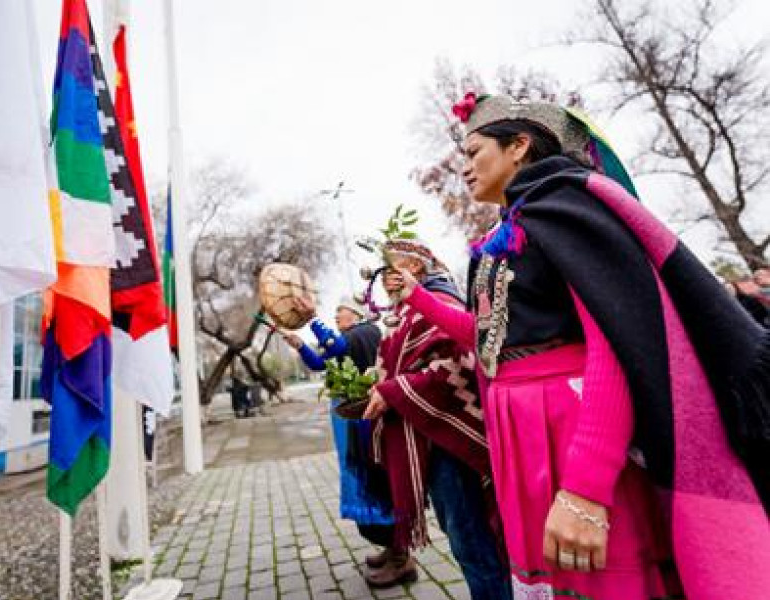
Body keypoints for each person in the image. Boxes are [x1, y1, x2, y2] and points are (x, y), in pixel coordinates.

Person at [389, 92, 770, 599]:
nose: (464, 167)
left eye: (474, 151)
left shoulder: (564, 208)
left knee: (607, 580)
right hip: (521, 434)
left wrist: (586, 488)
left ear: (519, 145)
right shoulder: (507, 232)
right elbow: (487, 337)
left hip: (573, 431)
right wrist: (415, 297)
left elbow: (614, 345)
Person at [361, 239, 510, 599]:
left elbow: (460, 366)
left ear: (414, 267)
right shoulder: (406, 310)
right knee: (464, 540)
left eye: (390, 267)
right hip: (429, 436)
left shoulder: (439, 301)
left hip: (449, 442)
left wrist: (395, 390)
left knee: (472, 544)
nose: (383, 277)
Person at [283, 298, 407, 586]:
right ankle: (391, 548)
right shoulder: (349, 338)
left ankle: (401, 557)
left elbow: (336, 348)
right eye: (335, 312)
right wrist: (299, 345)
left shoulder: (365, 332)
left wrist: (313, 320)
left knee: (375, 479)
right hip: (352, 418)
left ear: (357, 314)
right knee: (364, 478)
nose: (337, 315)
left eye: (341, 311)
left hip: (366, 418)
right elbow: (320, 363)